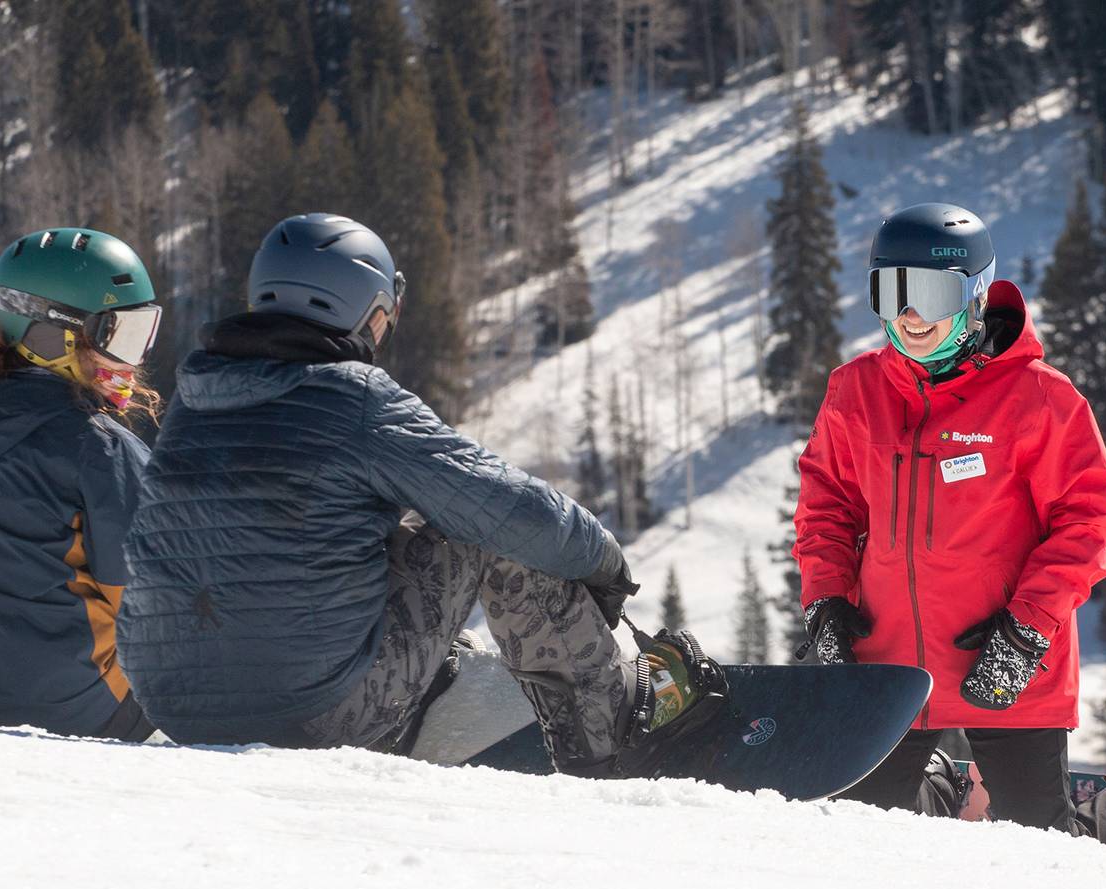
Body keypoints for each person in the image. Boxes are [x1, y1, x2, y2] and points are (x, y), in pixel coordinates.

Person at [116, 213, 721, 774]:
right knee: (482, 529)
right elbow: (510, 508)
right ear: (361, 311)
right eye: (383, 316)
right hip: (313, 715)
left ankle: (419, 692)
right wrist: (602, 560)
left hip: (178, 708)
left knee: (357, 534)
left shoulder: (194, 403)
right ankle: (613, 728)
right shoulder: (353, 397)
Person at [791, 202, 1106, 831]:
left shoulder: (1040, 397)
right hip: (888, 662)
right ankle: (940, 794)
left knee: (1037, 838)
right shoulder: (856, 390)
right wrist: (826, 600)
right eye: (893, 291)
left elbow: (1087, 524)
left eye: (932, 293)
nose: (910, 315)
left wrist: (1026, 632)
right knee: (858, 833)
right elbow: (827, 507)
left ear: (975, 295)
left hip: (1003, 657)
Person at [0, 227, 165, 741]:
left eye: (144, 333)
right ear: (53, 337)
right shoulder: (99, 448)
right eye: (121, 336)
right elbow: (153, 600)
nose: (133, 360)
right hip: (80, 710)